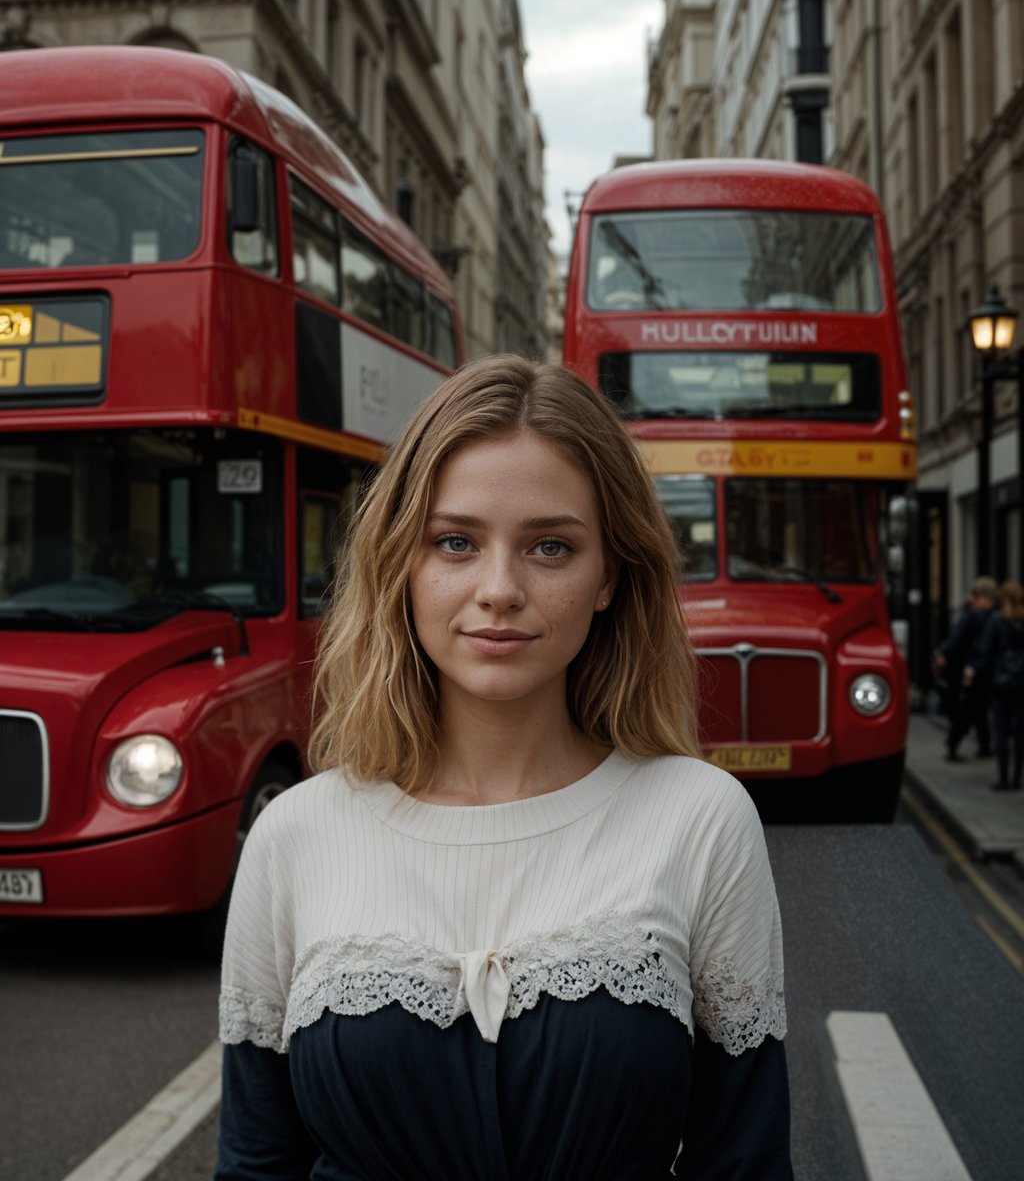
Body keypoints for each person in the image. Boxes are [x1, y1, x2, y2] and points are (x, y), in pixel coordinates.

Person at [216, 355, 792, 1180]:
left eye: (550, 547)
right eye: (455, 542)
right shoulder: (294, 836)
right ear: (402, 566)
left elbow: (744, 1162)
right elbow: (255, 1161)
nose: (499, 589)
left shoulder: (700, 818)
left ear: (608, 579)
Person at [967, 579, 1024, 793]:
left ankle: (1003, 779)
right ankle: (1017, 778)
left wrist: (972, 672)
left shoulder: (996, 621)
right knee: (1019, 733)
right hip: (1021, 684)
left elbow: (985, 651)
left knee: (1001, 732)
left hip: (1001, 684)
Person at [935, 576, 997, 760]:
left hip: (973, 669)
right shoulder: (979, 616)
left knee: (974, 710)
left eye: (976, 595)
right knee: (973, 710)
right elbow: (960, 642)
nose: (972, 598)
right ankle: (961, 744)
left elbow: (958, 641)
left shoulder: (975, 616)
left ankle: (978, 744)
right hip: (974, 669)